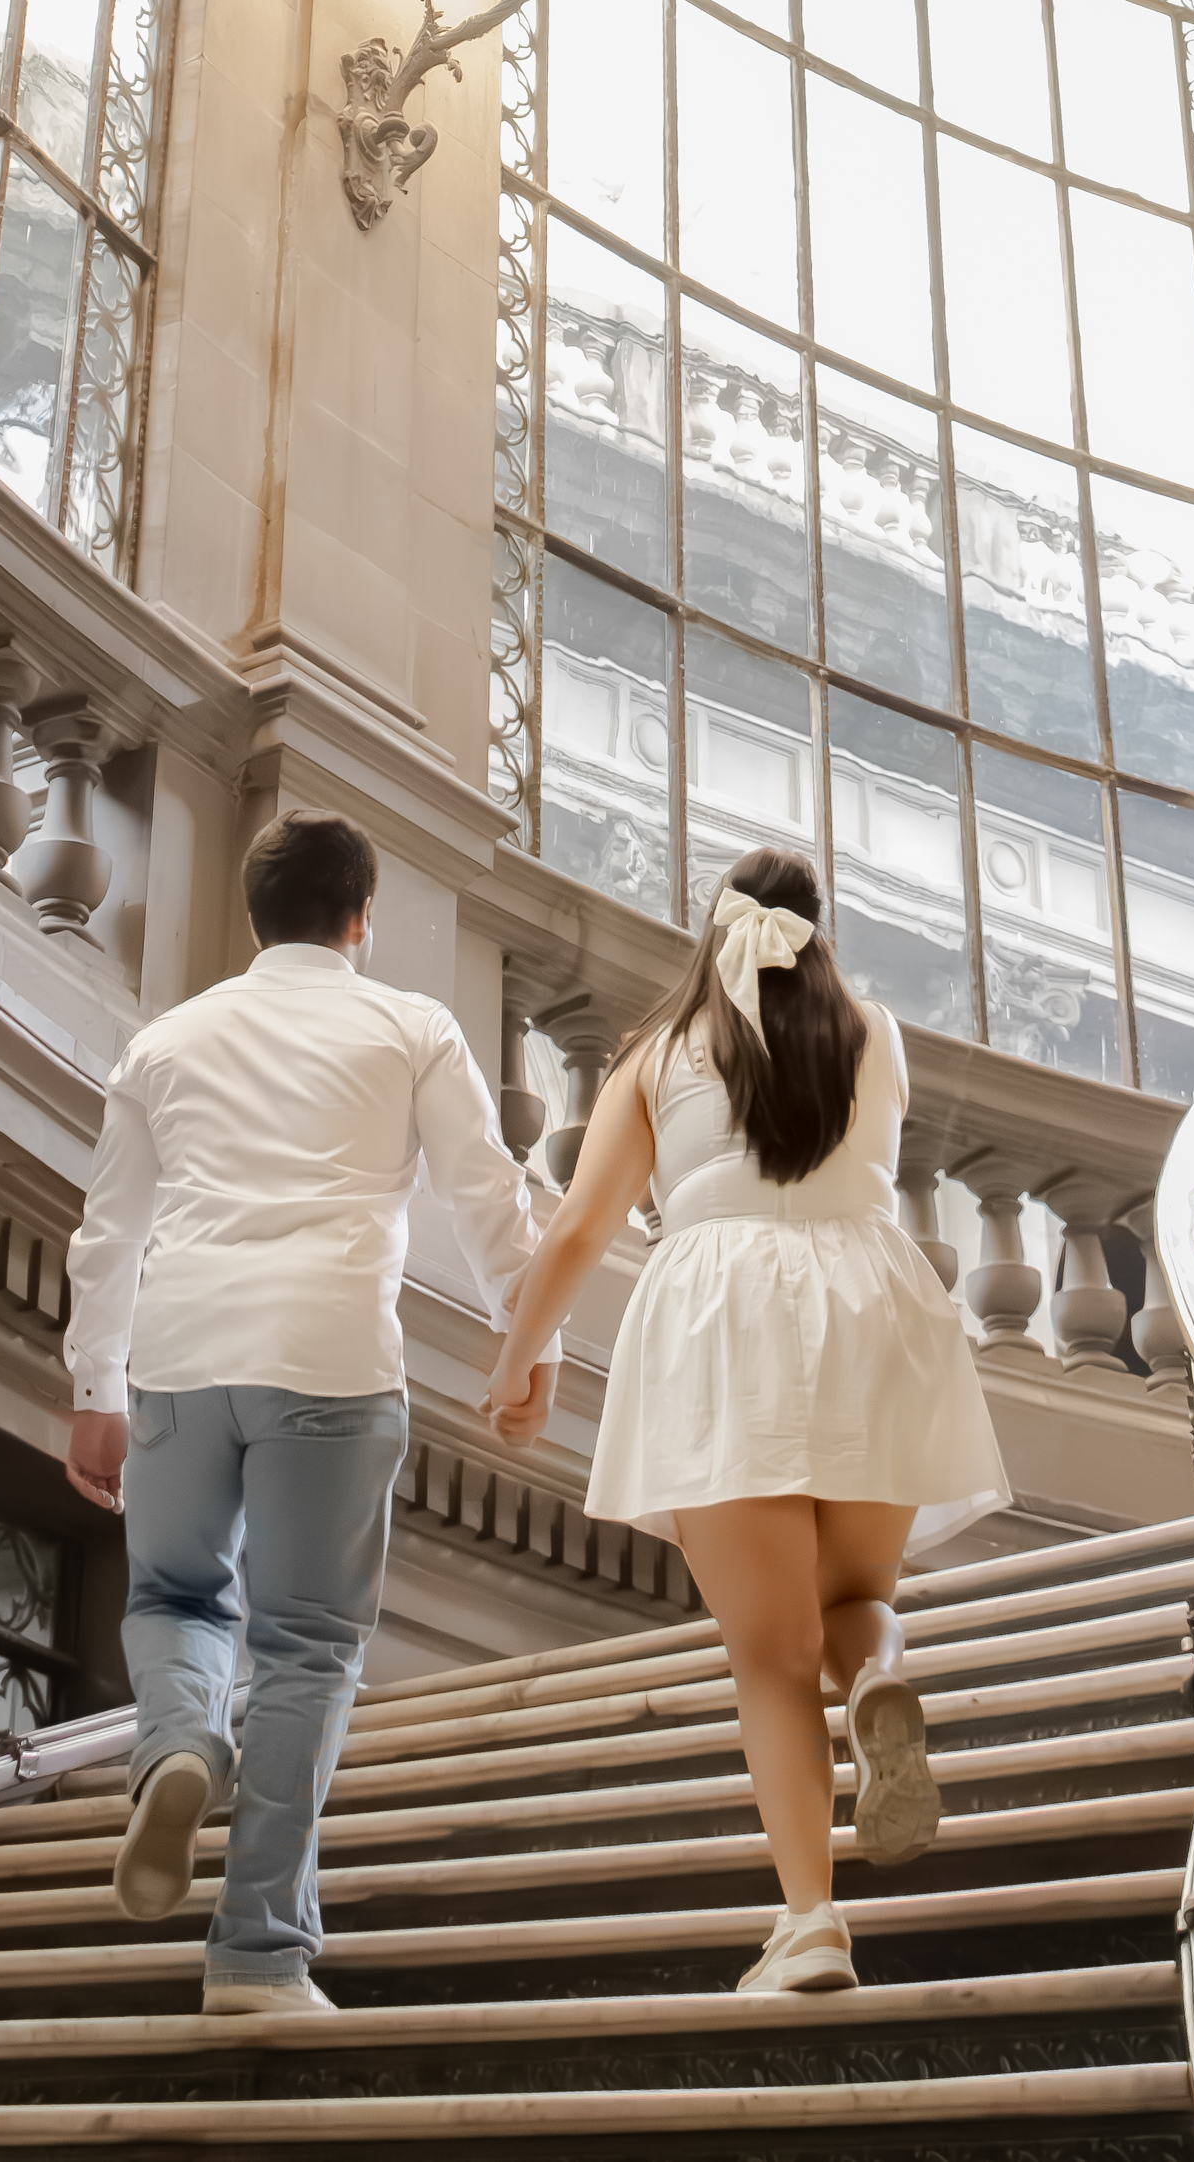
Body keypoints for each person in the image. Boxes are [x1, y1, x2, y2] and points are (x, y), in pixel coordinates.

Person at [477, 846, 1006, 1998]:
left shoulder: (659, 1051)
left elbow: (576, 1229)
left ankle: (811, 1922)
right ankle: (875, 1683)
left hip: (726, 1322)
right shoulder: (874, 1034)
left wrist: (520, 1358)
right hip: (874, 1303)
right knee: (855, 1600)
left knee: (768, 1658)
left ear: (713, 929)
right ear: (819, 935)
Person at [64, 806, 555, 2011]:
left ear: (252, 917)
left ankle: (178, 1746)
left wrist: (92, 1387)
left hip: (179, 1357)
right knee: (306, 1647)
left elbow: (108, 1231)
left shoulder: (166, 1041)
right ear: (361, 918)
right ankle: (254, 1953)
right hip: (331, 1359)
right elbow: (484, 1194)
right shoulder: (409, 1027)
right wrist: (523, 1337)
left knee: (175, 1596)